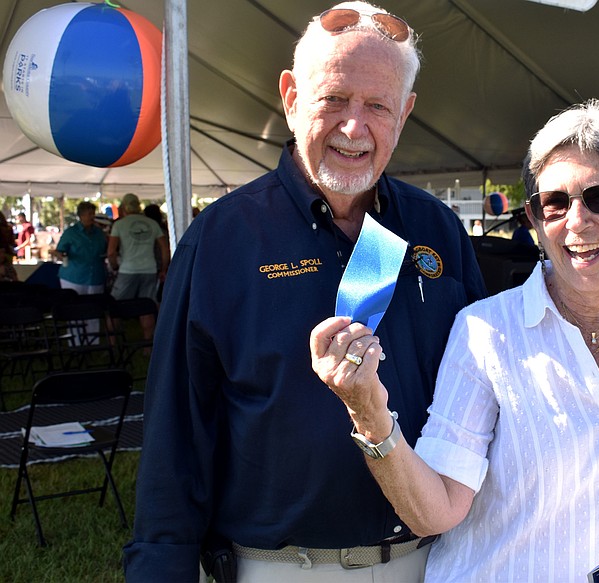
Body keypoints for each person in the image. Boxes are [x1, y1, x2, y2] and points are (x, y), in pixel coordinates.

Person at [122, 2, 486, 581]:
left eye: (377, 106)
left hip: (430, 561)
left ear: (406, 112)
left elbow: (482, 400)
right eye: (334, 99)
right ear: (291, 97)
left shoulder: (437, 231)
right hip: (279, 567)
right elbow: (177, 433)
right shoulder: (221, 241)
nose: (353, 128)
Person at [311, 100, 599, 583]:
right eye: (555, 203)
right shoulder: (485, 332)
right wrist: (368, 412)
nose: (576, 221)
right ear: (534, 220)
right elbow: (436, 510)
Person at [107, 193, 169, 342]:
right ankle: (148, 345)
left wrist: (114, 266)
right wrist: (163, 269)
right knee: (147, 307)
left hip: (127, 270)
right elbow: (165, 249)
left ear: (124, 207)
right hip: (149, 269)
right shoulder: (151, 223)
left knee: (114, 307)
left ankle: (113, 344)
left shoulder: (119, 224)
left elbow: (111, 252)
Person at [51, 201, 109, 340]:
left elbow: (105, 249)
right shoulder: (70, 233)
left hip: (95, 276)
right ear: (81, 215)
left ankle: (92, 341)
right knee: (75, 310)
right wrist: (60, 254)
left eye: (93, 213)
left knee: (93, 309)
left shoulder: (99, 233)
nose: (92, 217)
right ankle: (76, 342)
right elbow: (59, 251)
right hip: (74, 276)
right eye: (89, 214)